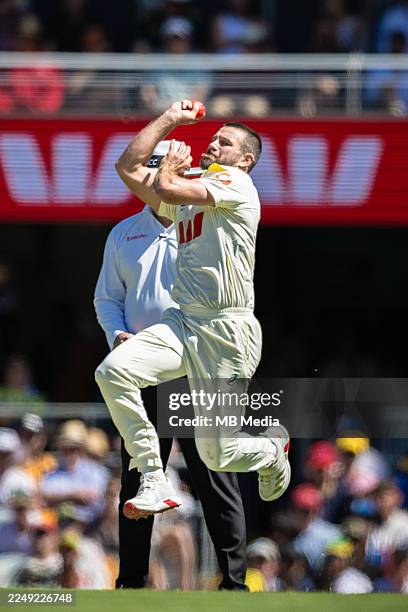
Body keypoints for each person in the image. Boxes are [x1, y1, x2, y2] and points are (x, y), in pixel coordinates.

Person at [95, 98, 291, 520]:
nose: (212, 145)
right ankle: (152, 476)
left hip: (227, 331)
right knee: (112, 371)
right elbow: (127, 169)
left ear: (245, 159)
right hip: (184, 322)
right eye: (213, 140)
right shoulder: (194, 191)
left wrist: (170, 165)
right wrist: (169, 119)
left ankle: (272, 447)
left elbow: (163, 186)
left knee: (218, 454)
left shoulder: (236, 184)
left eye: (223, 142)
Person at [94, 140, 250, 590]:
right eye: (158, 168)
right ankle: (132, 582)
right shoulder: (124, 232)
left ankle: (234, 582)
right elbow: (108, 298)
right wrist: (117, 336)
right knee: (140, 476)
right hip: (143, 366)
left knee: (215, 475)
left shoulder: (207, 223)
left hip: (200, 365)